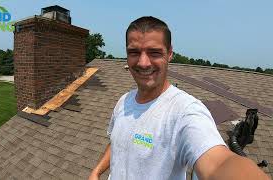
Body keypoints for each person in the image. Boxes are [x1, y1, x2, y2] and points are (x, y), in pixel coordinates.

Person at [88, 16, 269, 180]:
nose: (143, 62)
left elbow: (219, 163)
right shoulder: (123, 102)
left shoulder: (185, 112)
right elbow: (118, 142)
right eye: (134, 52)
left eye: (154, 52)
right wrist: (96, 172)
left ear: (170, 54)